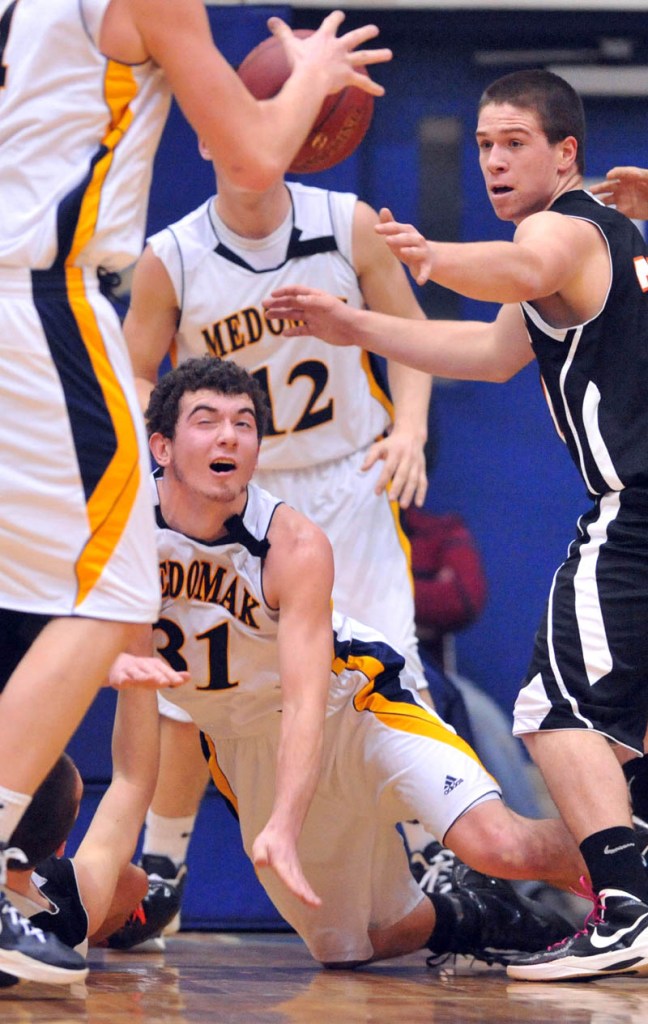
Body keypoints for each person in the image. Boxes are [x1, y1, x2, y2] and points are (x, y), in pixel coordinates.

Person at [0, 0, 390, 986]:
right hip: (42, 302)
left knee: (68, 598)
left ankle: (14, 866)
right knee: (117, 593)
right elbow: (258, 154)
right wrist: (313, 69)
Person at [262, 68, 648, 982]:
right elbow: (485, 352)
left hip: (634, 506)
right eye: (482, 145)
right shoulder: (596, 236)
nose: (493, 159)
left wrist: (427, 255)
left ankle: (625, 908)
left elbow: (522, 266)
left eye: (514, 142)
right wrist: (356, 323)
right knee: (621, 735)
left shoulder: (565, 229)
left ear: (566, 154)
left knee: (556, 712)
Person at [109, 355, 594, 970]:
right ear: (162, 445)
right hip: (245, 740)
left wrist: (285, 823)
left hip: (355, 703)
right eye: (206, 422)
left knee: (499, 843)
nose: (228, 435)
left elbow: (308, 700)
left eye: (244, 423)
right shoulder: (124, 530)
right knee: (350, 945)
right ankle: (475, 915)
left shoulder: (293, 544)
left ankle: (628, 878)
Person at [123, 140, 434, 933]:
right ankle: (163, 868)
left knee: (394, 664)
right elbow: (132, 378)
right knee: (185, 691)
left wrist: (413, 430)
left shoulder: (346, 223)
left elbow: (409, 328)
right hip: (225, 495)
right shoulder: (174, 256)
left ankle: (440, 858)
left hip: (343, 478)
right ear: (209, 141)